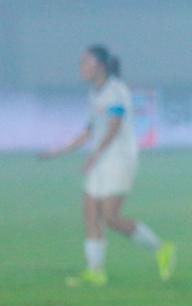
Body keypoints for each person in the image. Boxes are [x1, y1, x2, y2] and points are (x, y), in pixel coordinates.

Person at [39, 45, 176, 287]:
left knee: (110, 217)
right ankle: (96, 271)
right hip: (101, 157)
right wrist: (59, 151)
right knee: (90, 212)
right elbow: (90, 130)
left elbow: (114, 127)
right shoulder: (94, 93)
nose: (81, 68)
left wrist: (95, 154)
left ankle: (161, 248)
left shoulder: (116, 91)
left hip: (119, 158)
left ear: (100, 66)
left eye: (85, 63)